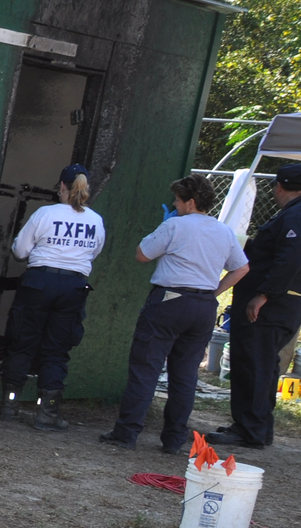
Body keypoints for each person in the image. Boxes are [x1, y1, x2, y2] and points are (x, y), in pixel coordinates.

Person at [99, 177, 249, 454]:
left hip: (169, 300)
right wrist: (213, 293)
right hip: (203, 305)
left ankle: (127, 432)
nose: (175, 205)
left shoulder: (175, 225)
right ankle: (173, 439)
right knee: (185, 375)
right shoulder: (223, 231)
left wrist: (164, 226)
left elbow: (142, 255)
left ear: (190, 202)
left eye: (178, 201)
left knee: (146, 369)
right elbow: (241, 269)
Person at [0, 164, 106, 430]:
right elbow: (93, 254)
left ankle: (9, 407)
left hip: (39, 283)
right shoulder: (95, 220)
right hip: (73, 287)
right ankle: (47, 413)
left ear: (61, 186)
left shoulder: (45, 213)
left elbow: (21, 252)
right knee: (57, 350)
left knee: (22, 342)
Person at [208, 162, 301, 448]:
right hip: (283, 304)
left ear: (280, 186)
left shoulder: (295, 216)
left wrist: (264, 294)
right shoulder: (291, 214)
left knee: (253, 364)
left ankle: (249, 430)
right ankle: (258, 426)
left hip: (272, 305)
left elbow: (289, 259)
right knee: (263, 364)